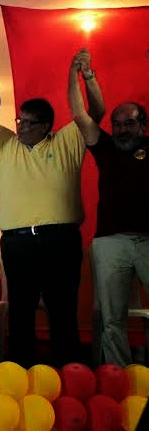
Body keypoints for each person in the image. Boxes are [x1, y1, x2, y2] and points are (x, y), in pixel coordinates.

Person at [0, 47, 104, 368]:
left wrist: (84, 76)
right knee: (21, 311)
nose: (21, 126)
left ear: (46, 126)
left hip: (61, 240)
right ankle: (21, 375)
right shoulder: (5, 144)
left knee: (63, 310)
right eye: (20, 120)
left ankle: (69, 373)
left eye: (29, 123)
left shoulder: (67, 142)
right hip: (18, 242)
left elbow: (95, 112)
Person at [68, 47, 149, 367]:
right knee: (112, 318)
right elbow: (79, 114)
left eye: (128, 123)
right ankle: (121, 378)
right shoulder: (106, 147)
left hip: (148, 240)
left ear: (143, 125)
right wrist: (80, 74)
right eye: (116, 124)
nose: (121, 130)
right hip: (110, 242)